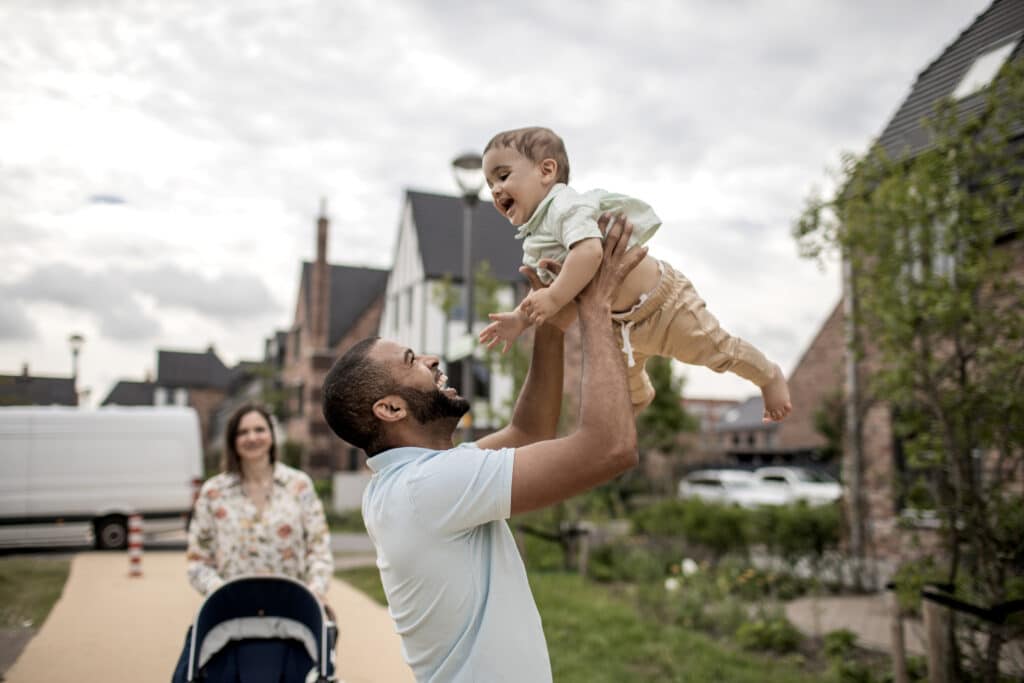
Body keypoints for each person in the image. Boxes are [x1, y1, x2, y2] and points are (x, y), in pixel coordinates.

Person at [321, 215, 644, 682]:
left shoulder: (409, 484)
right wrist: (596, 306)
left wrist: (550, 325)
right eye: (412, 360)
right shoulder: (427, 488)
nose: (432, 359)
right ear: (390, 408)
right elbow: (612, 447)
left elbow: (527, 433)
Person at [478, 126, 792, 422]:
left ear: (546, 171)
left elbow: (588, 253)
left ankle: (768, 375)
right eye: (490, 184)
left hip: (665, 304)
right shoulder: (534, 240)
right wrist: (521, 317)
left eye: (502, 176)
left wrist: (555, 295)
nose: (495, 190)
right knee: (622, 381)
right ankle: (640, 398)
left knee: (718, 351)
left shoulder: (565, 206)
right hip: (620, 324)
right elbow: (547, 287)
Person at [185, 402, 333, 600]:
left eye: (259, 430)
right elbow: (197, 560)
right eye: (243, 432)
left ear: (271, 436)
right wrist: (221, 593)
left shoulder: (299, 485)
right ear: (232, 441)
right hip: (231, 612)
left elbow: (319, 550)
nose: (252, 437)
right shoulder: (214, 492)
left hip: (292, 611)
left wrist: (312, 592)